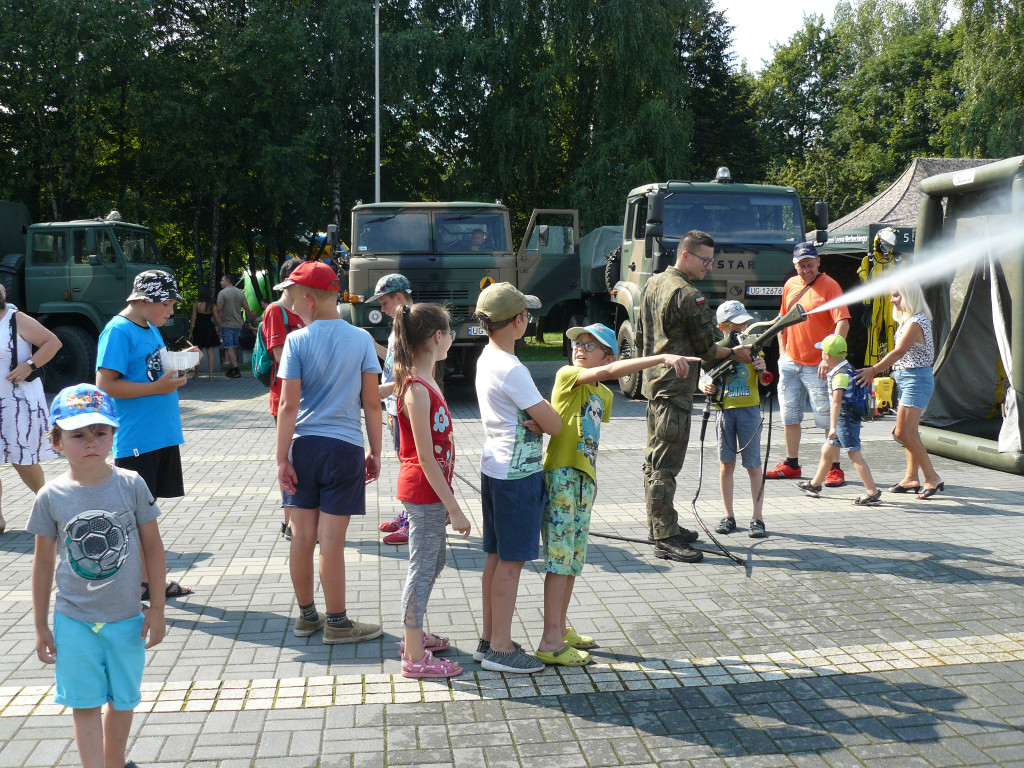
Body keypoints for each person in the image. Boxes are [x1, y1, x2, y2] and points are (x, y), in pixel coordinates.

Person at [536, 323, 694, 665]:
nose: (580, 348)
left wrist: (591, 483)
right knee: (559, 560)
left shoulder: (603, 395)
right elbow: (607, 371)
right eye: (578, 342)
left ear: (608, 353)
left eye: (590, 345)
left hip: (582, 480)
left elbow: (589, 438)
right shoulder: (567, 375)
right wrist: (661, 357)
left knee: (573, 560)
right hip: (561, 477)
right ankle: (550, 640)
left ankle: (561, 628)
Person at [29, 384, 167, 768]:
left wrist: (157, 608)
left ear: (112, 436)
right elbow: (42, 564)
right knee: (84, 703)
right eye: (78, 434)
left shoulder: (131, 484)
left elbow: (154, 549)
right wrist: (41, 624)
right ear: (56, 442)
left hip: (126, 620)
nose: (90, 442)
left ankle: (114, 762)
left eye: (100, 432)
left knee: (122, 700)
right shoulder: (50, 496)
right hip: (73, 620)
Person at [274, 260, 384, 643]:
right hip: (345, 448)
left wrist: (281, 458)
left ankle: (307, 617)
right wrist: (376, 452)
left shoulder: (296, 341)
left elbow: (288, 406)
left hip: (304, 446)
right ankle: (338, 623)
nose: (287, 302)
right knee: (332, 540)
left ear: (307, 299)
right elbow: (372, 403)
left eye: (289, 296)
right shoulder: (360, 339)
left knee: (303, 537)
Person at [635, 230, 753, 563]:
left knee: (654, 462)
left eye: (712, 260)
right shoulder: (689, 295)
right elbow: (708, 349)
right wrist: (736, 350)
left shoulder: (654, 283)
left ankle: (661, 523)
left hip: (656, 385)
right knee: (664, 466)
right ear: (686, 256)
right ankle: (665, 537)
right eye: (705, 260)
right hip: (674, 390)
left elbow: (644, 335)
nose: (710, 267)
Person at [472, 282, 561, 674]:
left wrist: (536, 421)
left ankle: (490, 639)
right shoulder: (513, 368)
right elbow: (555, 423)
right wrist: (541, 423)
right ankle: (502, 650)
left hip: (495, 467)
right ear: (519, 321)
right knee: (512, 562)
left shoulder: (487, 357)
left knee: (496, 556)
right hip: (517, 474)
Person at [96, 270, 193, 600]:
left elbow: (153, 371)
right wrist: (157, 387)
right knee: (138, 518)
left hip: (161, 435)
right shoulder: (118, 331)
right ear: (142, 300)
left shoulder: (151, 328)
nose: (171, 311)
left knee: (146, 516)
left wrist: (180, 364)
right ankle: (144, 584)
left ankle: (147, 581)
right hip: (138, 439)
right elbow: (105, 384)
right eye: (166, 304)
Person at [391, 302, 471, 678]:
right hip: (424, 491)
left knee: (433, 561)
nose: (452, 338)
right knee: (422, 569)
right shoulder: (417, 389)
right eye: (450, 332)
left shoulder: (424, 379)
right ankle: (413, 653)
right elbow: (425, 458)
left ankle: (414, 633)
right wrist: (453, 507)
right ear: (438, 337)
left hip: (431, 490)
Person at [765, 242, 851, 486]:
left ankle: (835, 468)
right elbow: (781, 319)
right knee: (789, 415)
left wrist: (829, 357)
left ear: (818, 262)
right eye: (801, 265)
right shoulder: (790, 284)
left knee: (826, 417)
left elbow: (842, 322)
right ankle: (791, 464)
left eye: (809, 265)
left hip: (818, 365)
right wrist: (782, 351)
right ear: (795, 265)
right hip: (790, 363)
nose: (805, 270)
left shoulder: (830, 286)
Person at [854, 284, 943, 499]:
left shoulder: (916, 321)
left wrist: (873, 370)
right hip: (906, 378)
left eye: (896, 296)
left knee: (902, 433)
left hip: (916, 379)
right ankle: (912, 477)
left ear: (909, 296)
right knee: (907, 432)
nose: (892, 300)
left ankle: (932, 477)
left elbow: (899, 351)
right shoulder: (906, 320)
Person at [699, 301, 769, 539]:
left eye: (744, 323)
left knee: (753, 466)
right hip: (724, 410)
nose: (742, 328)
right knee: (725, 464)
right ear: (721, 327)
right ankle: (728, 515)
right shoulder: (718, 350)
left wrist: (762, 368)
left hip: (749, 410)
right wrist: (705, 385)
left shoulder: (755, 348)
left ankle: (757, 517)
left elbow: (766, 383)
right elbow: (704, 376)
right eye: (735, 326)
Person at [0, 284, 62, 535]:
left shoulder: (16, 319)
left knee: (21, 459)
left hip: (16, 400)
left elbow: (52, 342)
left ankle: (50, 506)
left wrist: (29, 364)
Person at [796, 334, 881, 505]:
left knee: (854, 454)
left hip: (844, 419)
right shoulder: (847, 368)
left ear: (826, 355)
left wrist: (833, 427)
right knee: (827, 451)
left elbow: (836, 402)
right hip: (847, 418)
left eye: (822, 352)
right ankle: (815, 485)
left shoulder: (839, 376)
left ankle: (872, 491)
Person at [367, 273, 414, 545]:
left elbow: (415, 370)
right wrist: (374, 347)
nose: (381, 309)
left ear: (398, 297)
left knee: (412, 465)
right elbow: (395, 361)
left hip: (406, 406)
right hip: (396, 407)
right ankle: (410, 512)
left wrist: (384, 390)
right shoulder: (399, 324)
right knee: (405, 462)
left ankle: (416, 519)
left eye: (384, 302)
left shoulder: (410, 323)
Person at [262, 259, 306, 539]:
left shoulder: (302, 311)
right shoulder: (275, 311)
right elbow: (281, 357)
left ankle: (295, 520)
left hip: (307, 399)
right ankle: (290, 522)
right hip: (286, 399)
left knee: (301, 461)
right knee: (289, 461)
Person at [188, 286, 221, 381]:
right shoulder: (212, 306)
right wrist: (219, 330)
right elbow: (217, 319)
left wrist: (191, 332)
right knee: (210, 351)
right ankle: (211, 375)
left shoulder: (196, 305)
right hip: (209, 328)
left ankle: (196, 375)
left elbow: (193, 319)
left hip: (198, 328)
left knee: (197, 351)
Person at [217, 274, 246, 379]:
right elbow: (246, 307)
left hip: (226, 323)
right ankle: (230, 369)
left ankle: (236, 369)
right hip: (238, 323)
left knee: (229, 346)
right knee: (233, 346)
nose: (220, 282)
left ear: (227, 281)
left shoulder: (222, 293)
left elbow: (219, 308)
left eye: (222, 280)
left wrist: (216, 320)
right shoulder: (240, 292)